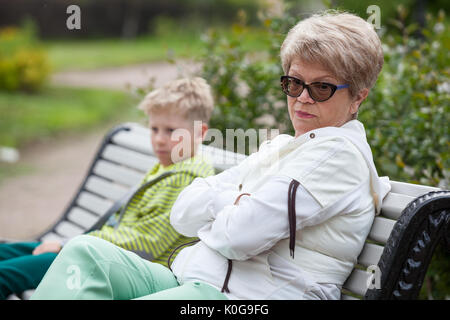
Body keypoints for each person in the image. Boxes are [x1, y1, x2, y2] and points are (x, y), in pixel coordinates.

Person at [31, 11, 392, 300]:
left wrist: (227, 204)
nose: (302, 98)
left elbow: (239, 237)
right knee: (86, 254)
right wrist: (237, 201)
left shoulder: (337, 155)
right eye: (294, 82)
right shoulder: (283, 147)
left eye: (322, 88)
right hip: (193, 281)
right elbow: (182, 213)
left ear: (358, 96)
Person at [0, 77, 215, 299]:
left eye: (170, 131)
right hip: (101, 251)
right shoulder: (170, 164)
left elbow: (145, 244)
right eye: (154, 129)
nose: (159, 140)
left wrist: (65, 246)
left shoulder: (186, 178)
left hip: (120, 266)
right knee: (4, 252)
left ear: (200, 132)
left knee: (4, 275)